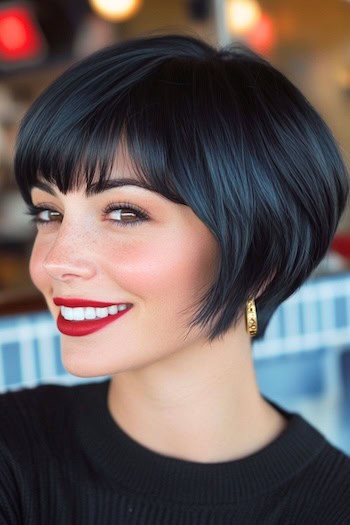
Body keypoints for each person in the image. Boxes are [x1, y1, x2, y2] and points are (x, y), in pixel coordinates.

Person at [1, 33, 350, 524]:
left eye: (123, 213)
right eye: (47, 213)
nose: (56, 261)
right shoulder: (13, 456)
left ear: (258, 256)